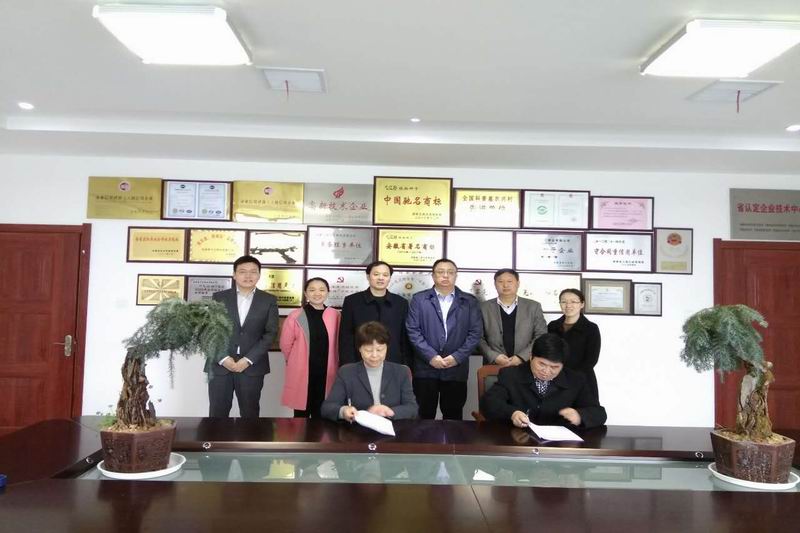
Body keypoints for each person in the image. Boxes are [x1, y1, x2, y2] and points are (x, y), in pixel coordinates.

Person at [406, 258, 483, 420]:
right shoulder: (419, 299)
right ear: (433, 276)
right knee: (423, 416)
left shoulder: (469, 301)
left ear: (456, 275)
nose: (445, 276)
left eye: (450, 272)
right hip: (425, 368)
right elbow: (413, 330)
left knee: (453, 416)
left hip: (456, 368)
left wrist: (457, 357)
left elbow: (475, 333)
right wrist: (431, 356)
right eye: (441, 272)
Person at [480, 333, 606, 429]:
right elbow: (489, 402)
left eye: (554, 367)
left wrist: (580, 415)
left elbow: (599, 413)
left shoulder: (575, 380)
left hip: (558, 446)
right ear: (531, 357)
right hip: (519, 440)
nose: (546, 371)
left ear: (562, 365)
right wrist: (512, 413)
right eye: (542, 364)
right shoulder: (511, 375)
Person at [208, 255, 279, 418]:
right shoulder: (219, 298)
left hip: (252, 367)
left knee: (250, 413)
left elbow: (270, 333)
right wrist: (223, 358)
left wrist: (248, 360)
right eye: (242, 271)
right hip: (221, 366)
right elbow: (209, 330)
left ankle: (249, 438)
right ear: (234, 275)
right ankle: (216, 438)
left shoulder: (268, 300)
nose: (248, 276)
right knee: (217, 413)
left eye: (253, 272)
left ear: (259, 275)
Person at [321, 321, 417, 421]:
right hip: (357, 429)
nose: (374, 355)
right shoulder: (346, 372)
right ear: (359, 349)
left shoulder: (401, 372)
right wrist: (343, 411)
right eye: (368, 350)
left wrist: (390, 412)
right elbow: (327, 407)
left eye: (379, 350)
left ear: (387, 348)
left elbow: (412, 408)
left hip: (394, 428)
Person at [280, 277, 341, 418]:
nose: (317, 293)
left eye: (322, 290)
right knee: (301, 413)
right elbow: (285, 344)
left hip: (328, 371)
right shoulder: (296, 315)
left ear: (328, 292)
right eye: (312, 290)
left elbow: (339, 342)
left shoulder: (335, 315)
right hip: (302, 370)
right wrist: (294, 361)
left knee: (323, 412)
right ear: (305, 293)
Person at [338, 261, 410, 366]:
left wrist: (405, 364)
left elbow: (404, 338)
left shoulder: (401, 303)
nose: (381, 278)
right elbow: (346, 336)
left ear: (390, 278)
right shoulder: (352, 301)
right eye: (376, 274)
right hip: (359, 362)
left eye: (385, 275)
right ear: (368, 276)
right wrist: (348, 365)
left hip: (393, 361)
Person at [479, 268, 547, 366]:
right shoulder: (483, 307)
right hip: (493, 364)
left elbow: (541, 335)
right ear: (495, 284)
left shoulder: (533, 307)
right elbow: (478, 337)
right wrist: (494, 356)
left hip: (525, 364)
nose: (505, 285)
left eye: (509, 281)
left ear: (518, 283)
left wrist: (522, 357)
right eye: (500, 281)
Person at [547, 288, 601, 401]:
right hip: (554, 378)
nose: (568, 305)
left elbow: (591, 360)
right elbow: (547, 353)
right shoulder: (552, 326)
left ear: (582, 304)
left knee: (584, 409)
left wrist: (570, 376)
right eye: (564, 302)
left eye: (573, 302)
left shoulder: (591, 328)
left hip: (582, 379)